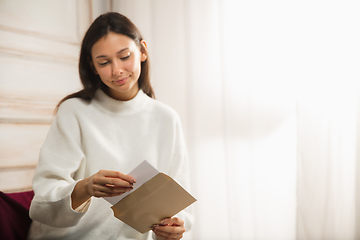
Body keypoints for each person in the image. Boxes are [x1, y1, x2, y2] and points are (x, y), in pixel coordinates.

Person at [28, 12, 193, 240]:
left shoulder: (166, 118)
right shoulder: (74, 112)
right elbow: (44, 200)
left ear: (142, 51)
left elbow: (179, 203)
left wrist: (172, 228)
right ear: (92, 66)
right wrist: (86, 188)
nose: (116, 70)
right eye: (104, 62)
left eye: (124, 56)